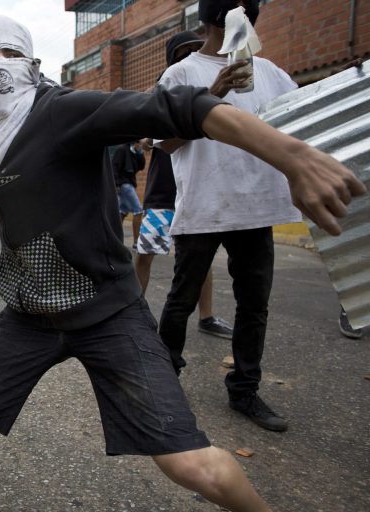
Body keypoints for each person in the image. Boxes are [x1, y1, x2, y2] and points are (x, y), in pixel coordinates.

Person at [0, 15, 364, 512]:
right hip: (31, 318)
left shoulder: (62, 111)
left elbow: (184, 107)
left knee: (191, 465)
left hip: (110, 312)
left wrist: (294, 157)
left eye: (11, 54)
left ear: (31, 63)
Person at [156, 0, 305, 432]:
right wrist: (213, 94)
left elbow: (301, 125)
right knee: (182, 301)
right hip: (205, 206)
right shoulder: (182, 74)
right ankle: (165, 385)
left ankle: (244, 391)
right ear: (212, 21)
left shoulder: (273, 73)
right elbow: (163, 143)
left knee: (254, 307)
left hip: (257, 207)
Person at [135, 31, 233, 340]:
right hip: (163, 193)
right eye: (183, 52)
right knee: (145, 252)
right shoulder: (164, 89)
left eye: (195, 48)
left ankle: (207, 316)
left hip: (196, 191)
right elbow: (147, 135)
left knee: (200, 260)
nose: (191, 55)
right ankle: (133, 314)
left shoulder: (217, 90)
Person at [110, 140, 146, 247]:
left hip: (130, 183)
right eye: (138, 143)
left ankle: (114, 239)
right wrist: (116, 184)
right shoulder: (122, 150)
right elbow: (114, 167)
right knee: (138, 210)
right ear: (134, 142)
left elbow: (141, 166)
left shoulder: (134, 153)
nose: (140, 145)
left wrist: (140, 153)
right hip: (124, 184)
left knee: (122, 211)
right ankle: (136, 243)